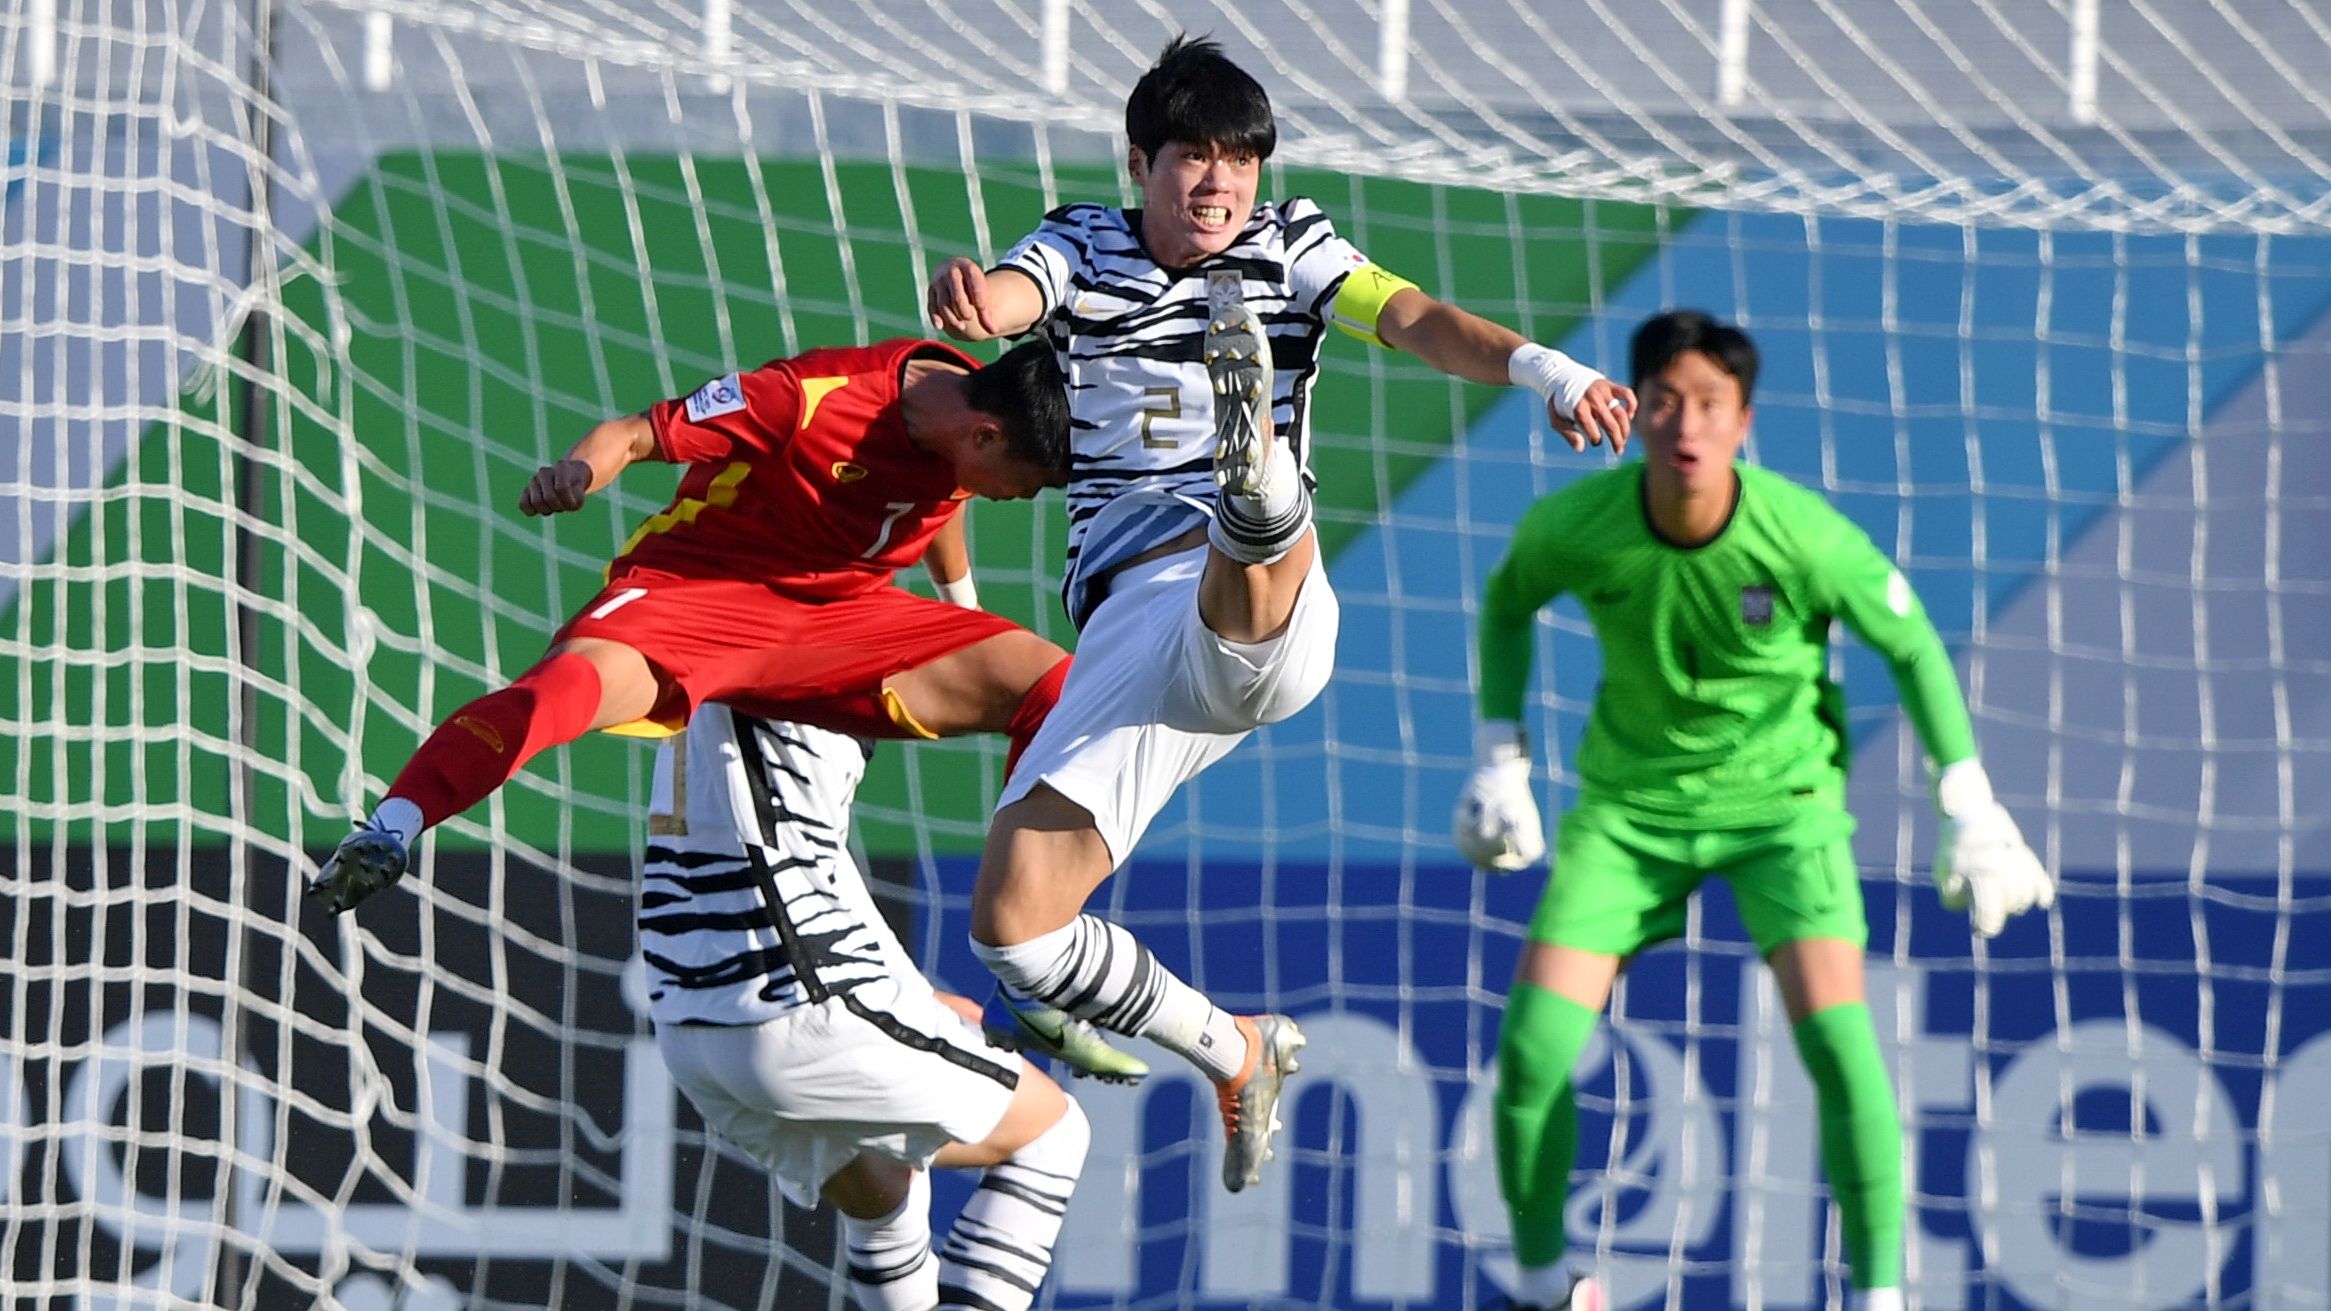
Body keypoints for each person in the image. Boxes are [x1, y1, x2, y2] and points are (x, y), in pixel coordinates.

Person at [924, 34, 1636, 1193]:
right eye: (1193, 157)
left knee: (1237, 536)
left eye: (1240, 161)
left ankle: (1254, 480)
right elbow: (1013, 295)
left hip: (1254, 601)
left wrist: (1550, 372)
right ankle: (1238, 1050)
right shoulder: (1080, 241)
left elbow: (1413, 319)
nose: (1219, 182)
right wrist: (976, 297)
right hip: (1131, 645)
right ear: (1141, 161)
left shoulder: (1291, 245)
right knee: (1015, 927)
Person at [1451, 309, 2056, 1311]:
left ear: (1743, 422)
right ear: (1636, 412)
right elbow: (1509, 601)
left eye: (1712, 404)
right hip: (1629, 815)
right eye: (1668, 400)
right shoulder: (1577, 527)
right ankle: (1543, 1283)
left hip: (1786, 812)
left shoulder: (1801, 533)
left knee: (1839, 1045)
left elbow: (1909, 645)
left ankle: (1880, 1297)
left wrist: (1972, 804)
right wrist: (1500, 758)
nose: (1688, 422)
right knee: (1531, 1054)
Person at [310, 338, 1075, 914]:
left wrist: (962, 608)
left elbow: (937, 501)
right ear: (983, 435)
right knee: (561, 692)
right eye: (1027, 485)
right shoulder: (805, 397)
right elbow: (635, 433)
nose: (1022, 498)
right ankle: (392, 824)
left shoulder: (964, 419)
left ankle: (1024, 934)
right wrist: (580, 471)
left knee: (1055, 682)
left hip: (844, 617)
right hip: (701, 594)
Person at [642, 699, 1087, 1311]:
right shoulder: (829, 643)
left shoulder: (698, 656)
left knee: (887, 1186)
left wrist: (938, 1008)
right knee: (1052, 1133)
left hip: (688, 1027)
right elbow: (1018, 680)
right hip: (795, 1007)